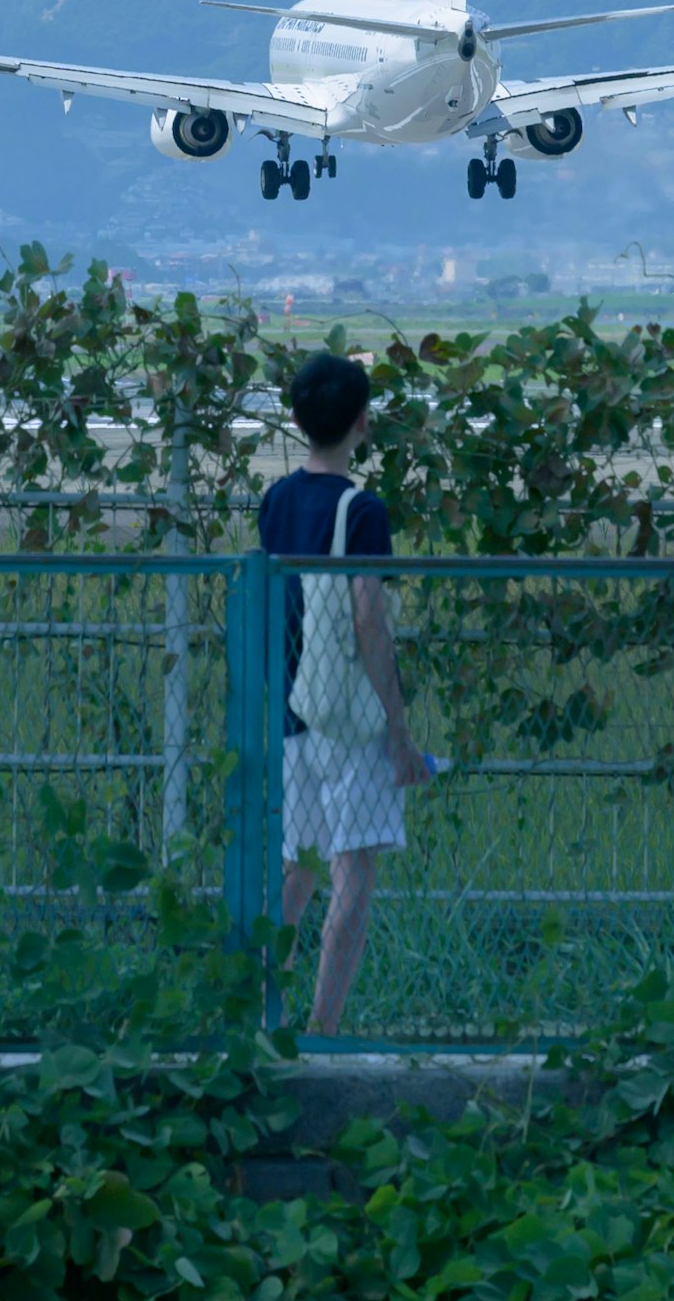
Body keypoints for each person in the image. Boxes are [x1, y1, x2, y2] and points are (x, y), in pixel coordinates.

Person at [260, 349, 431, 1033]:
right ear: (364, 422)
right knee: (351, 876)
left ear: (298, 419)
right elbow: (368, 617)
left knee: (295, 864)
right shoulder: (362, 510)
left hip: (292, 708)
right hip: (349, 716)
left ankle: (263, 1012)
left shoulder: (275, 500)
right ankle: (322, 1033)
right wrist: (399, 728)